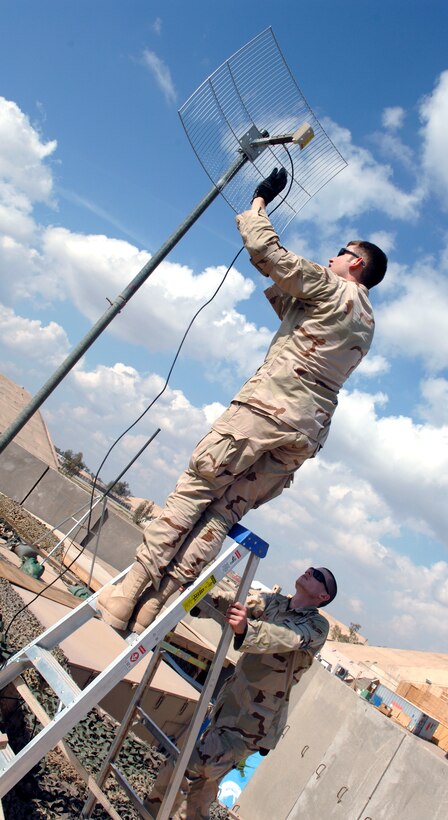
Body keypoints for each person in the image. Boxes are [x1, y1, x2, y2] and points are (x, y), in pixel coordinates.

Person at [97, 168, 386, 633]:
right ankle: (154, 607)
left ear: (356, 264)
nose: (332, 257)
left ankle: (127, 595)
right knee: (223, 512)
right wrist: (273, 269)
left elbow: (269, 253)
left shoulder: (334, 287)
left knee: (196, 489)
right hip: (305, 431)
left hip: (268, 409)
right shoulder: (366, 321)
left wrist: (258, 203)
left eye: (341, 252)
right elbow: (292, 301)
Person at [144, 565, 337, 819]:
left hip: (253, 721)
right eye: (311, 569)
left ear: (323, 596)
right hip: (230, 705)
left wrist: (247, 629)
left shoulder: (316, 626)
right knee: (203, 788)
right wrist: (199, 595)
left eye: (318, 576)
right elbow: (238, 603)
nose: (310, 572)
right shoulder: (274, 602)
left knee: (189, 761)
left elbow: (286, 637)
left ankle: (150, 811)